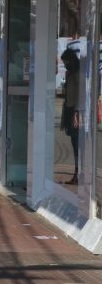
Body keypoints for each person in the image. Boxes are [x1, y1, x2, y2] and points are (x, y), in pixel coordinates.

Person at [61, 49, 81, 185]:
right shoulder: (71, 73)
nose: (65, 64)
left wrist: (77, 112)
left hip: (74, 110)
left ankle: (78, 174)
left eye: (66, 62)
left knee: (77, 144)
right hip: (69, 109)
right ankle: (77, 173)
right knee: (74, 143)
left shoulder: (77, 74)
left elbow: (80, 92)